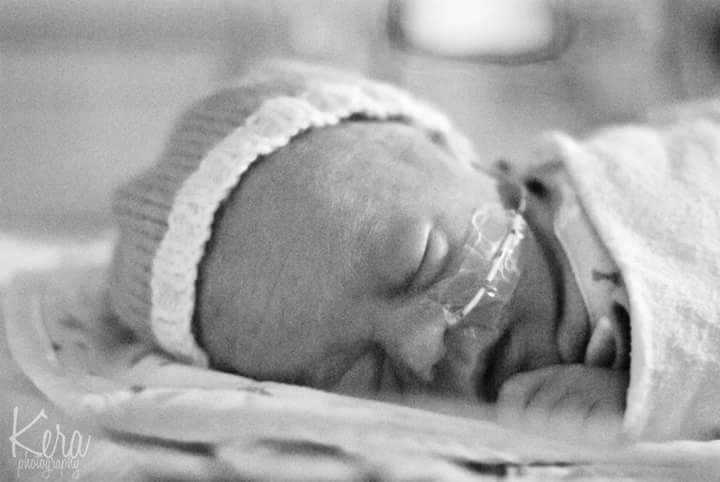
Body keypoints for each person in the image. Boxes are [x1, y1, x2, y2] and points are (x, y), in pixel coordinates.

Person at [109, 62, 720, 442]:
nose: (422, 346)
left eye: (422, 260)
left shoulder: (628, 184)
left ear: (475, 164)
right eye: (362, 372)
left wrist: (660, 392)